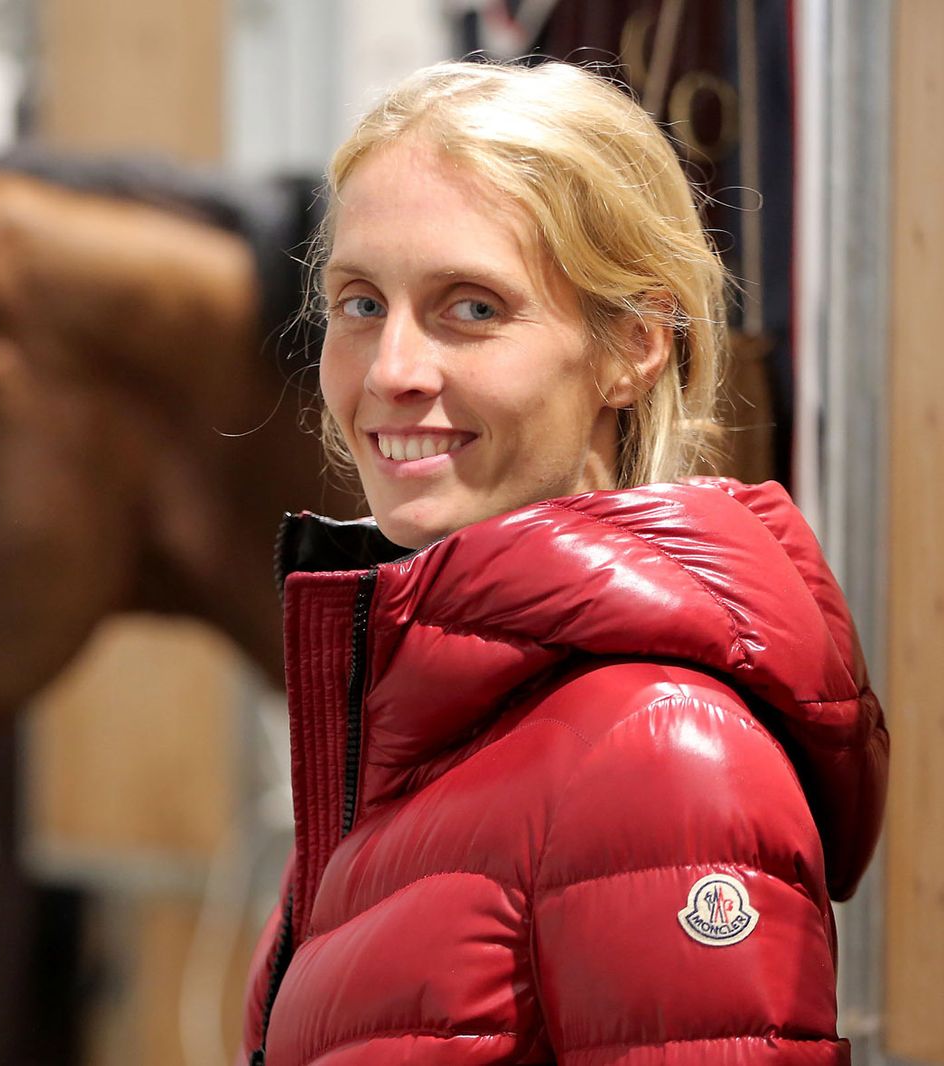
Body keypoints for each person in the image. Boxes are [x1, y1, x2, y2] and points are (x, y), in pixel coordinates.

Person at [241, 60, 888, 1065]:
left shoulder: (659, 756)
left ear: (633, 345)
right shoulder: (419, 720)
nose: (392, 370)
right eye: (360, 304)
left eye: (471, 308)